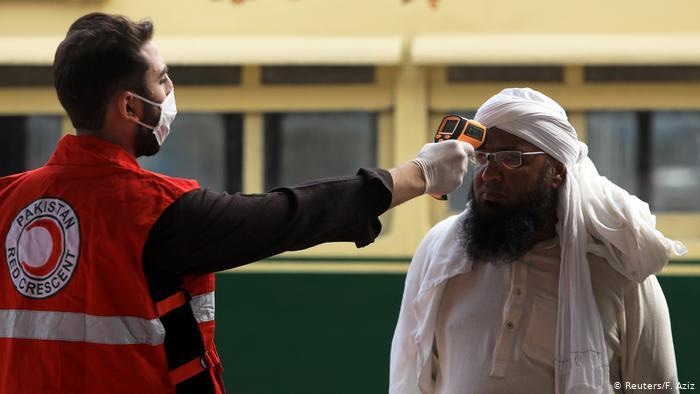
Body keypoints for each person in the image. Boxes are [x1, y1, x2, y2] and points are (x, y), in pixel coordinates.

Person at [0, 13, 473, 394]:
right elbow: (290, 217)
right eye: (162, 81)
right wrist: (420, 174)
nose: (168, 94)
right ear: (128, 108)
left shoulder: (6, 201)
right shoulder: (158, 212)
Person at [389, 88, 687, 394]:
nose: (489, 175)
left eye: (511, 159)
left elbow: (658, 386)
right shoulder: (440, 251)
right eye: (482, 157)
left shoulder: (618, 267)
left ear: (556, 171)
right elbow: (416, 374)